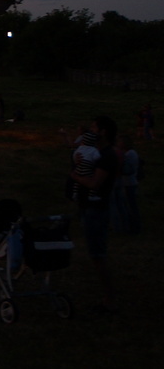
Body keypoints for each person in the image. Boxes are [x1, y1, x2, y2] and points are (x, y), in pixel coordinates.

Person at [70, 115, 119, 312]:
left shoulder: (107, 156)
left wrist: (75, 175)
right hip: (88, 207)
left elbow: (94, 184)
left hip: (96, 210)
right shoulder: (99, 153)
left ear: (103, 132)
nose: (90, 130)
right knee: (95, 254)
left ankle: (109, 299)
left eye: (94, 127)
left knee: (98, 255)